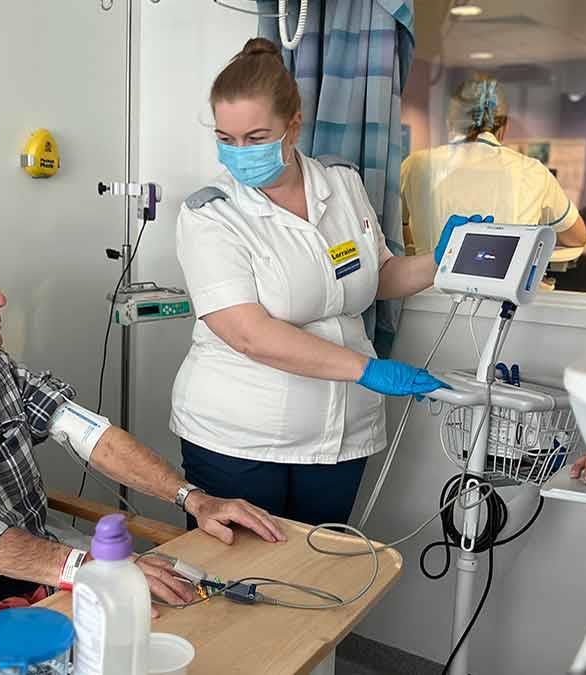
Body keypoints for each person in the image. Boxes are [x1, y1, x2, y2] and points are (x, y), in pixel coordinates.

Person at [0, 227, 285, 674]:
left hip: (32, 582)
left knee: (197, 630)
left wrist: (193, 499)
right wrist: (94, 570)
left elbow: (90, 434)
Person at [171, 38, 472, 528]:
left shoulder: (341, 183)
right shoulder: (211, 215)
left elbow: (377, 277)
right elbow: (248, 333)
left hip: (340, 436)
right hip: (242, 438)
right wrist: (366, 369)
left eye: (255, 136)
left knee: (319, 585)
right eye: (226, 139)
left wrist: (442, 260)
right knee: (242, 589)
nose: (238, 153)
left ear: (294, 124)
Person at [400, 77, 586, 257]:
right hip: (502, 289)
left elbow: (395, 229)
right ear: (504, 127)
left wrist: (418, 248)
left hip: (426, 288)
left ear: (450, 123)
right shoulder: (532, 171)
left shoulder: (417, 164)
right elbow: (577, 237)